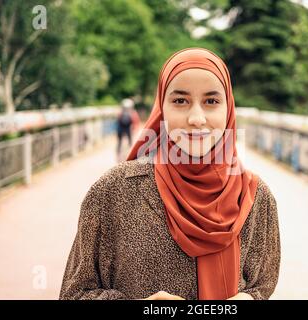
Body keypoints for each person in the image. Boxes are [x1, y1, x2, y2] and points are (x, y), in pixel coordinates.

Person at [59, 48, 281, 300]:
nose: (197, 118)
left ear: (228, 109)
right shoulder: (113, 191)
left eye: (211, 101)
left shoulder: (255, 198)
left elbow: (262, 287)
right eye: (180, 101)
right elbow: (74, 294)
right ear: (161, 109)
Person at [115, 98, 140, 162]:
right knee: (130, 142)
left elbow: (117, 120)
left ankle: (118, 154)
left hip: (120, 129)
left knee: (119, 142)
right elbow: (136, 121)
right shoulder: (133, 112)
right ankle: (130, 154)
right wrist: (135, 129)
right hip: (128, 129)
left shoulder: (120, 111)